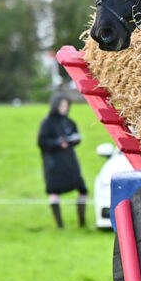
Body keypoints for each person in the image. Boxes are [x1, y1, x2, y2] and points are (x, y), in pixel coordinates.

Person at [37, 95, 88, 228]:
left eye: (66, 105)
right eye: (62, 106)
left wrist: (74, 140)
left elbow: (76, 136)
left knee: (82, 189)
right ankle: (60, 225)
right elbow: (41, 141)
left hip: (69, 162)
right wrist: (57, 142)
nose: (64, 108)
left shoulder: (69, 122)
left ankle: (82, 223)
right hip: (54, 163)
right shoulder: (47, 122)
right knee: (54, 190)